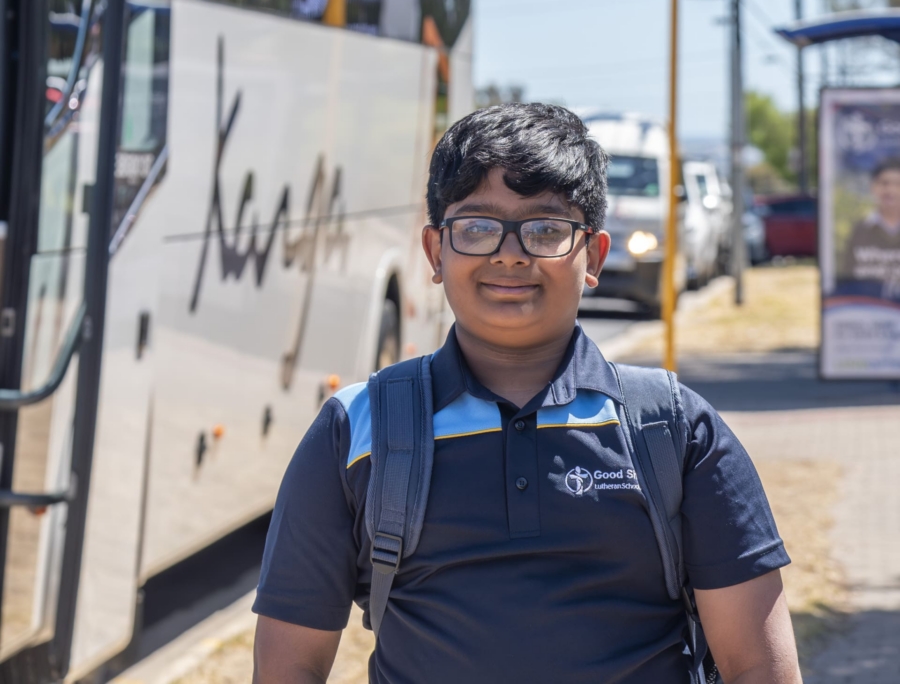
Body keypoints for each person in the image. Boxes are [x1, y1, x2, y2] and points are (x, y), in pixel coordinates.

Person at [252, 103, 802, 683]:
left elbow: (758, 667)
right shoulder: (355, 429)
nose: (509, 253)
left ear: (593, 256)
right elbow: (289, 668)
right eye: (477, 228)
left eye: (545, 230)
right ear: (436, 252)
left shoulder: (673, 430)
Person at [839, 157, 900, 301]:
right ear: (874, 187)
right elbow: (848, 276)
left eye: (897, 184)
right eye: (884, 183)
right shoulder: (860, 230)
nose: (890, 190)